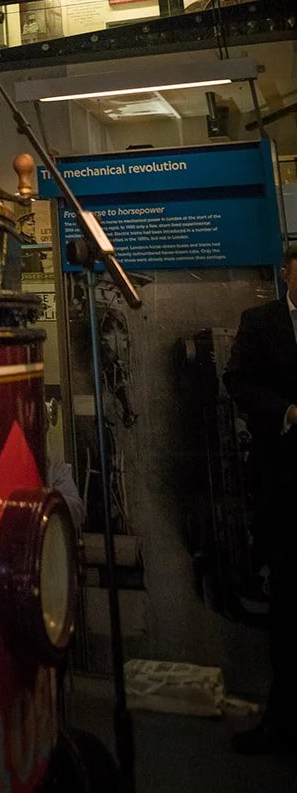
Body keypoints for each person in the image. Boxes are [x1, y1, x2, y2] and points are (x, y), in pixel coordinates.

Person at [223, 243, 297, 755]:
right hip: (284, 481)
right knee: (288, 606)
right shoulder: (261, 322)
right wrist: (286, 412)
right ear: (286, 277)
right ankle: (283, 720)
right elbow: (238, 381)